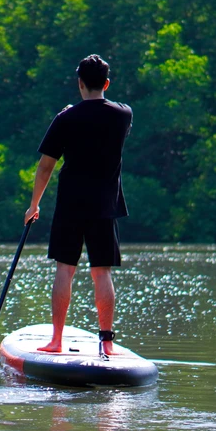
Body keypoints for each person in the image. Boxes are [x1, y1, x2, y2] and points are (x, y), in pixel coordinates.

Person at [24, 54, 132, 355]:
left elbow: (45, 166)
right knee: (102, 272)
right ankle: (107, 342)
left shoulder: (65, 118)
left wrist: (34, 205)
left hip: (70, 204)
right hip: (105, 205)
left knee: (64, 269)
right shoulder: (124, 114)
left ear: (79, 83)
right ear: (107, 83)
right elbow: (108, 115)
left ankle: (56, 340)